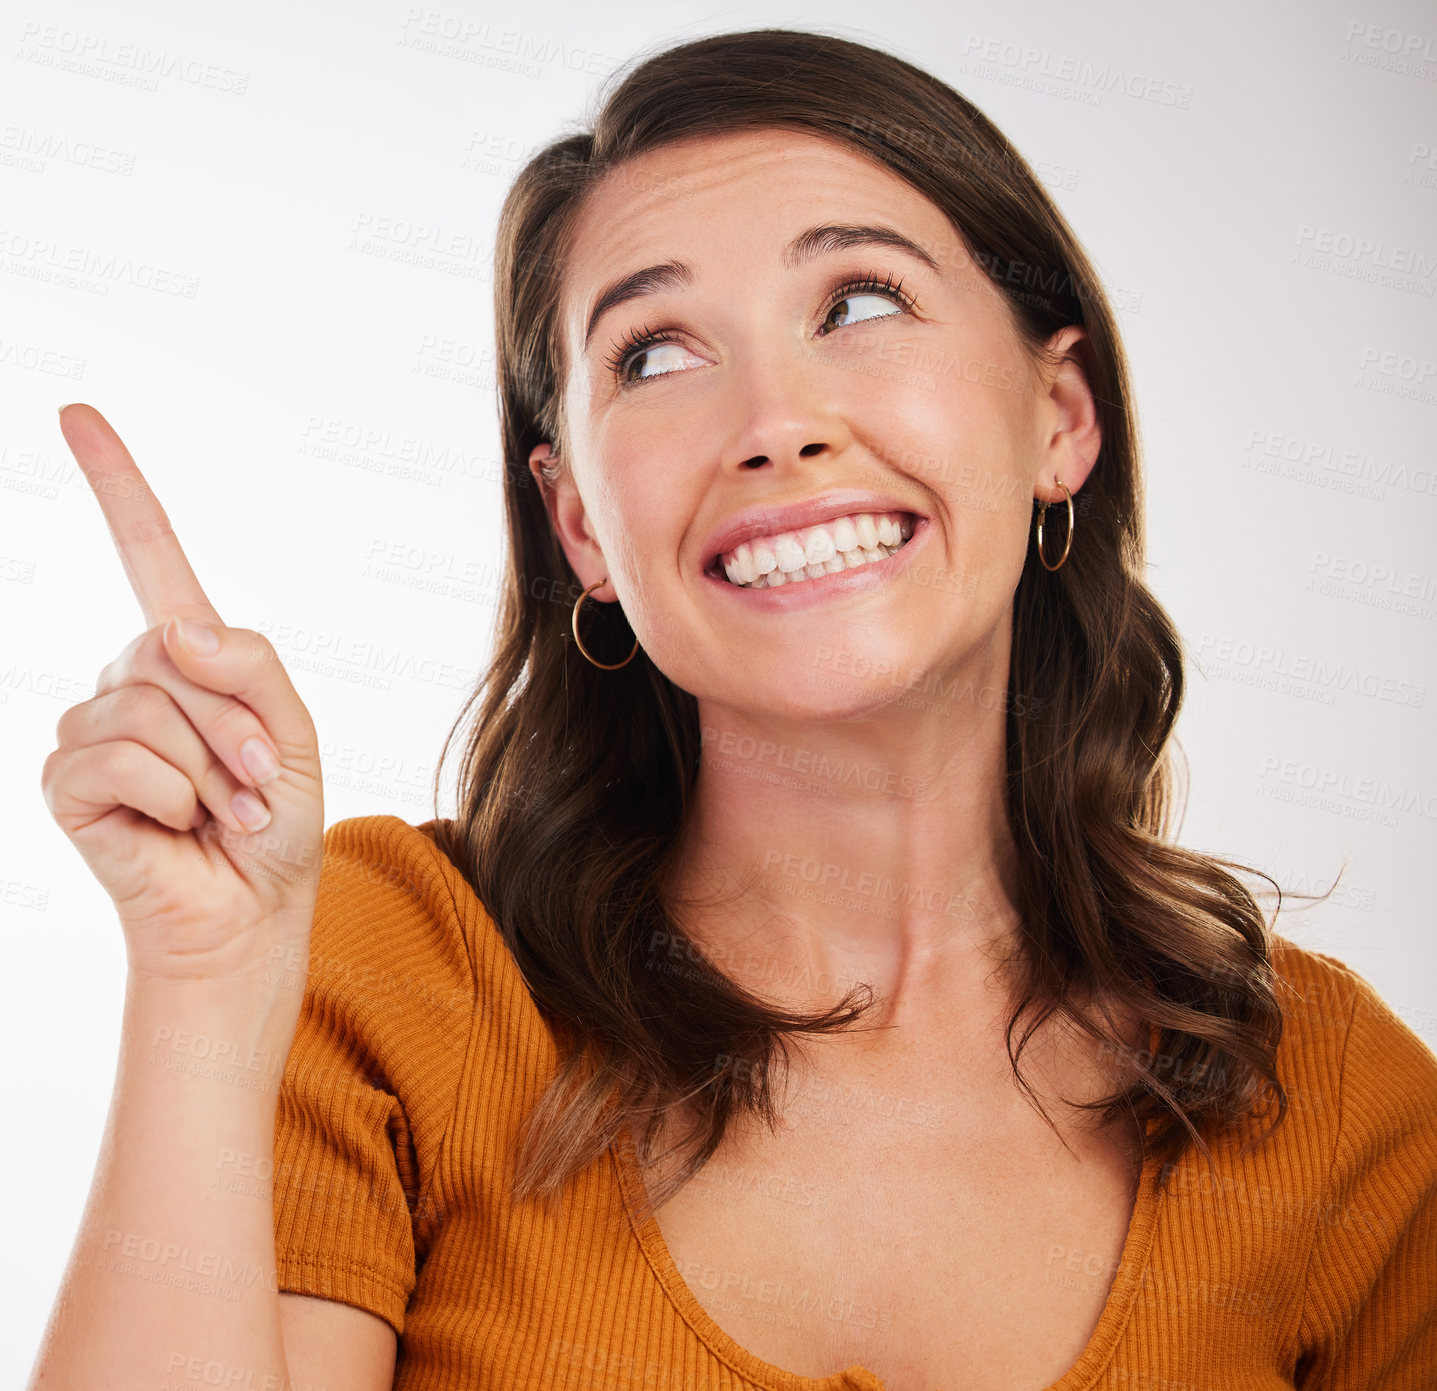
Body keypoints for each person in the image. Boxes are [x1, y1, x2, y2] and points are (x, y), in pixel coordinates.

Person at [26, 27, 1437, 1391]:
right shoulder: (393, 971)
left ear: (1058, 416)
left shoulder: (1336, 1108)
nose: (775, 417)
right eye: (653, 352)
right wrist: (206, 992)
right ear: (578, 524)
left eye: (860, 303)